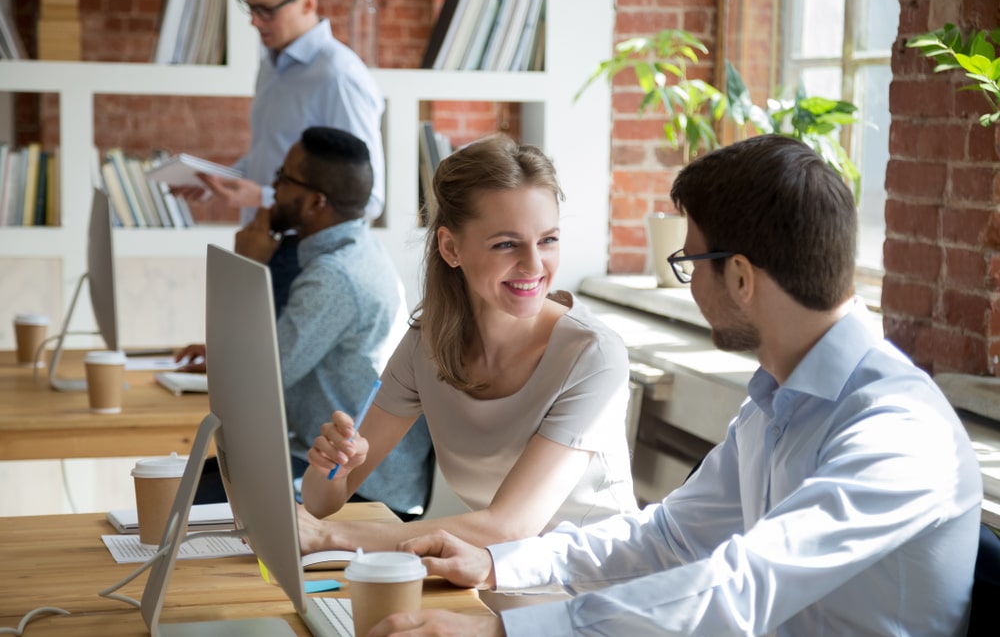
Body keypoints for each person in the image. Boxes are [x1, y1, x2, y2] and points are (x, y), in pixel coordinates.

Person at [371, 134, 984, 637]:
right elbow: (669, 535)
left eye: (689, 264)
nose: (688, 284)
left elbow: (744, 584)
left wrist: (503, 632)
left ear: (740, 277)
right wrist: (498, 563)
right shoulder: (777, 400)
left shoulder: (898, 429)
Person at [297, 133, 638, 559]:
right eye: (506, 244)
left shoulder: (593, 355)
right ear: (451, 248)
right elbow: (322, 501)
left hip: (596, 594)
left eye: (548, 240)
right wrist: (330, 467)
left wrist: (333, 540)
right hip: (490, 582)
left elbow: (510, 526)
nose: (534, 265)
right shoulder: (428, 342)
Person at [176, 127, 432, 521]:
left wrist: (249, 265)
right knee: (191, 487)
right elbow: (272, 358)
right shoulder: (358, 249)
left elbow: (251, 386)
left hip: (365, 488)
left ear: (315, 202)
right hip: (333, 465)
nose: (272, 189)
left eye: (282, 179)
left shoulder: (333, 277)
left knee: (183, 505)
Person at [175, 0, 386, 314]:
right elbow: (269, 153)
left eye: (266, 10)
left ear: (308, 2)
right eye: (249, 6)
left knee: (270, 366)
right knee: (246, 359)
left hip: (303, 254)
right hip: (262, 244)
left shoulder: (340, 76)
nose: (254, 22)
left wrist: (261, 197)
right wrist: (221, 180)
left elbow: (367, 198)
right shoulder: (271, 65)